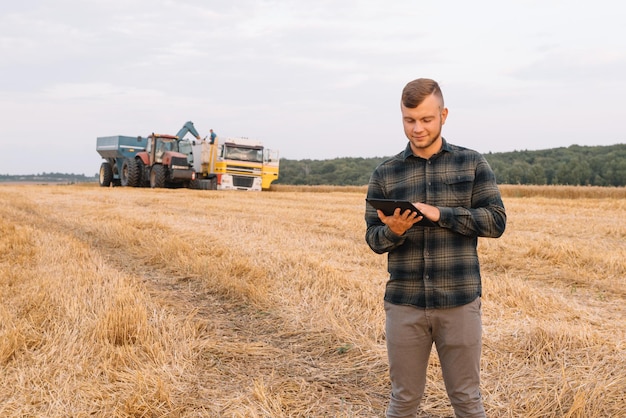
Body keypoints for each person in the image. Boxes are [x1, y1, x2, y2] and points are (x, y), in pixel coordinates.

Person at [365, 78, 506, 418]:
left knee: (467, 400)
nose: (417, 128)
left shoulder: (471, 163)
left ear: (443, 115)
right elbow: (372, 238)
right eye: (409, 120)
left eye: (426, 119)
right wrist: (393, 231)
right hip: (404, 305)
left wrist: (441, 214)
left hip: (459, 302)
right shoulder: (385, 173)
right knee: (402, 401)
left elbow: (496, 221)